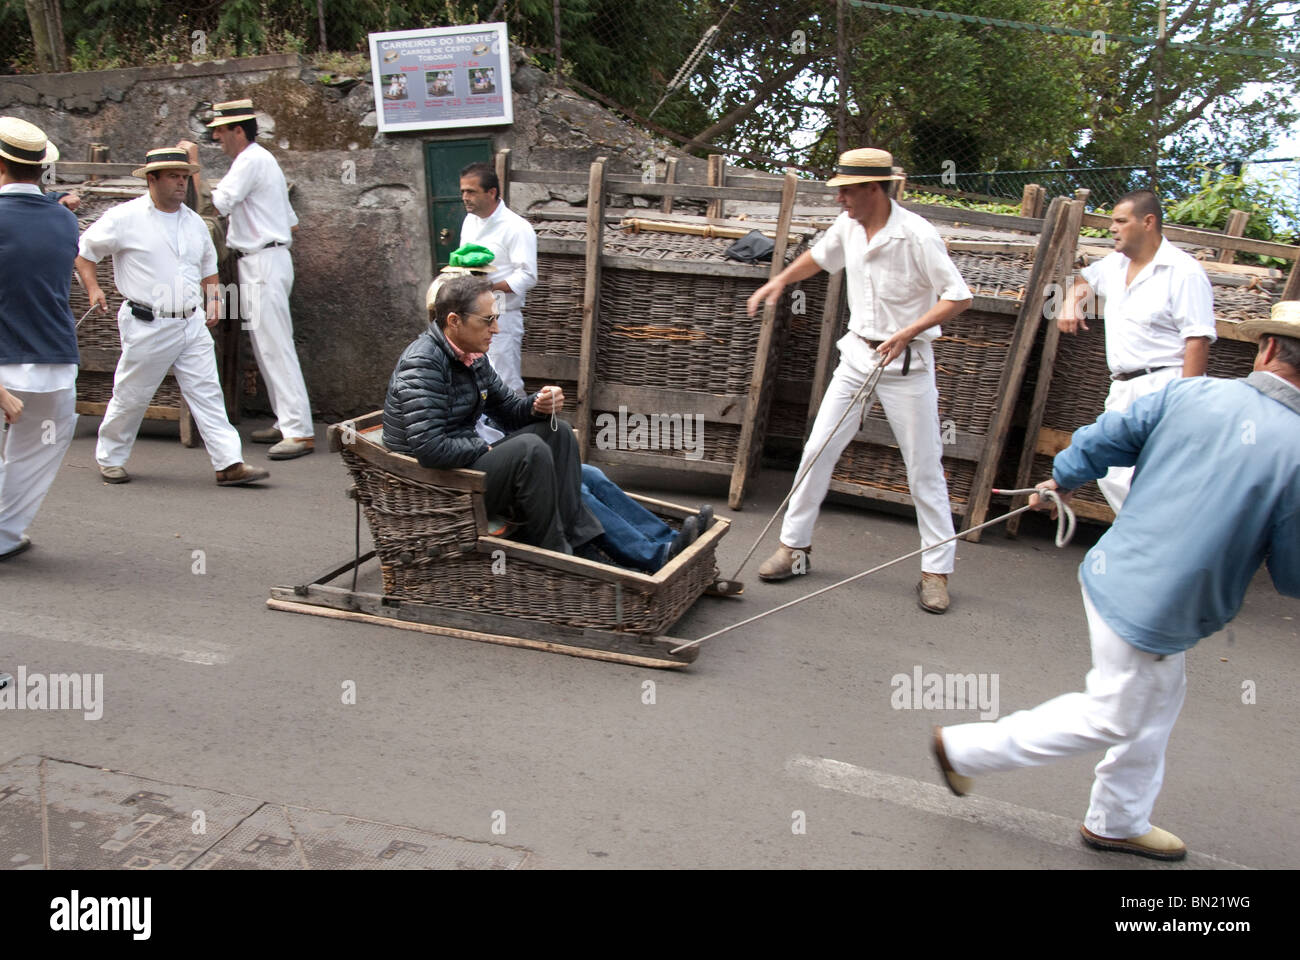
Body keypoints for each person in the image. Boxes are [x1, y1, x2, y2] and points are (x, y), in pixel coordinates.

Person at [933, 300, 1300, 861]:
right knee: (1115, 713)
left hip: (1118, 572)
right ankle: (966, 750)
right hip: (1162, 604)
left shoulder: (1191, 393)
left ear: (1268, 348)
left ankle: (1118, 818)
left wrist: (1060, 479)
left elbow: (1106, 436)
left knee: (1158, 699)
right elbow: (1293, 572)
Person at [746, 147, 972, 613]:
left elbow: (959, 296)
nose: (840, 199)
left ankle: (935, 571)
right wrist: (779, 281)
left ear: (875, 188)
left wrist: (909, 330)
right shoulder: (848, 226)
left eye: (847, 190)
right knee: (817, 450)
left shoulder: (917, 235)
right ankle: (794, 548)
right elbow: (818, 257)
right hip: (856, 357)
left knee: (923, 469)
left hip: (906, 365)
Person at [384, 275, 709, 562]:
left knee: (564, 441)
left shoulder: (472, 357)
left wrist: (537, 406)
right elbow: (429, 448)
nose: (496, 328)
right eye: (487, 320)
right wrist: (486, 450)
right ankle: (620, 554)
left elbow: (510, 411)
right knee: (530, 449)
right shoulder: (423, 364)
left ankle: (664, 543)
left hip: (466, 464)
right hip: (439, 484)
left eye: (496, 318)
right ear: (454, 321)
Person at [74, 146, 269, 487]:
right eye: (173, 177)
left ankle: (229, 463)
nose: (182, 183)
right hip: (148, 321)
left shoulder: (194, 222)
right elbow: (85, 253)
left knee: (208, 393)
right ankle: (111, 458)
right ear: (152, 179)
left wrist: (213, 301)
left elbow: (208, 267)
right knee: (132, 394)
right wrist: (93, 289)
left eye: (183, 177)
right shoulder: (124, 218)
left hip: (190, 322)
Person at [1057, 188, 1215, 514]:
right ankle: (1148, 537)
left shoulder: (1183, 272)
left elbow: (1197, 340)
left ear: (1148, 221)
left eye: (1120, 221)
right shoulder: (1115, 265)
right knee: (1114, 472)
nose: (1112, 228)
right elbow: (1084, 280)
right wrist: (1072, 302)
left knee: (1156, 472)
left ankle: (1154, 541)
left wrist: (1186, 402)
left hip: (1164, 384)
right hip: (1122, 385)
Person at [193, 100, 314, 460]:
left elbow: (216, 204)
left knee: (275, 347)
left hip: (263, 259)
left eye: (221, 131)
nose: (217, 137)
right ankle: (287, 420)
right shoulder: (261, 161)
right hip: (264, 258)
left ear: (238, 131)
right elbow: (291, 221)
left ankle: (299, 430)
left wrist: (194, 168)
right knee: (266, 347)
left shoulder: (249, 161)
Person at [0, 116, 79, 566]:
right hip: (53, 360)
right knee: (36, 453)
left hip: (6, 356)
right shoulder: (64, 221)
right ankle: (5, 533)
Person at [458, 161, 536, 396]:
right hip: (471, 315)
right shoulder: (469, 222)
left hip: (502, 316)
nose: (465, 197)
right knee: (473, 381)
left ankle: (519, 431)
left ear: (491, 192)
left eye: (471, 191)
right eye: (462, 191)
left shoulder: (517, 227)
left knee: (504, 381)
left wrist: (488, 287)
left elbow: (528, 275)